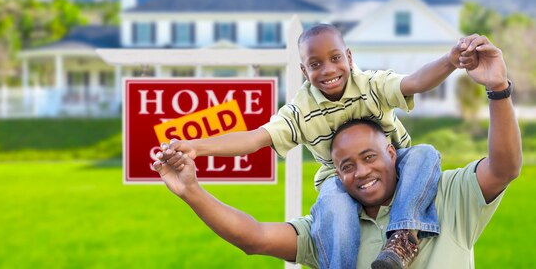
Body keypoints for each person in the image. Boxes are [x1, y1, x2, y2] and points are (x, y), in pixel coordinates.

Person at [154, 35, 521, 269]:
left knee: (425, 153)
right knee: (331, 199)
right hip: (333, 198)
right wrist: (192, 174)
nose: (360, 171)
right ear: (304, 70)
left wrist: (487, 82)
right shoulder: (333, 222)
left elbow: (503, 167)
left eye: (369, 157)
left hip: (413, 171)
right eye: (347, 164)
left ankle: (404, 235)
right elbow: (254, 231)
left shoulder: (446, 197)